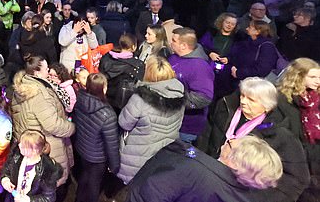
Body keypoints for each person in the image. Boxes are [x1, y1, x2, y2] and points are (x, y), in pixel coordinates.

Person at [198, 77, 310, 202]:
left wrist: (258, 197)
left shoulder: (280, 134)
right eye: (242, 95)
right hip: (210, 176)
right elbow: (205, 136)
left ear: (267, 106)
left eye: (251, 99)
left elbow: (299, 178)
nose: (243, 101)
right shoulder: (225, 107)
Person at [127, 136, 283, 202]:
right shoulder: (244, 196)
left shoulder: (193, 169)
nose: (229, 139)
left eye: (230, 144)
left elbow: (148, 196)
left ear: (236, 163)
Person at [11, 56, 75, 198]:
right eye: (46, 69)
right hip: (48, 146)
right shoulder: (39, 94)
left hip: (30, 145)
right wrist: (71, 128)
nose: (48, 72)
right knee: (51, 186)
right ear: (37, 73)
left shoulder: (21, 86)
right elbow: (53, 124)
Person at [117, 56, 185, 184]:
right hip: (165, 152)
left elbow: (124, 122)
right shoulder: (180, 95)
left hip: (139, 154)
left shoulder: (140, 99)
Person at [72, 73, 120, 202]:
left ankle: (78, 198)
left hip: (82, 149)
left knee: (85, 176)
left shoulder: (80, 100)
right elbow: (111, 144)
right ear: (103, 88)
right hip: (97, 157)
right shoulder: (108, 114)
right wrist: (114, 166)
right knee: (94, 185)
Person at [278, 58, 320, 202]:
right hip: (295, 166)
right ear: (298, 75)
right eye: (313, 77)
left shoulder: (317, 100)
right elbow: (282, 135)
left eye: (319, 77)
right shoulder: (282, 100)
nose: (317, 81)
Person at [168, 27, 214, 143]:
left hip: (185, 127)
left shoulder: (200, 67)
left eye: (173, 40)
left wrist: (173, 100)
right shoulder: (174, 57)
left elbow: (203, 98)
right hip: (170, 121)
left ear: (183, 45)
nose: (170, 43)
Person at [0, 129, 62, 202]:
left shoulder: (47, 170)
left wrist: (29, 200)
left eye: (23, 146)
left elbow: (48, 198)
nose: (19, 145)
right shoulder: (16, 155)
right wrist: (5, 180)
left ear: (34, 151)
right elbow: (6, 169)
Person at [100, 33, 145, 111]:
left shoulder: (106, 58)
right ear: (133, 47)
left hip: (105, 99)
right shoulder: (138, 65)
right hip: (125, 104)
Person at [199, 12, 239, 99]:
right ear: (222, 22)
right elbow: (201, 46)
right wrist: (210, 53)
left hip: (226, 74)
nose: (229, 25)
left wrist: (229, 59)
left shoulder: (238, 39)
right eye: (227, 22)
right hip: (208, 68)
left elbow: (240, 54)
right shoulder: (211, 34)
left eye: (232, 24)